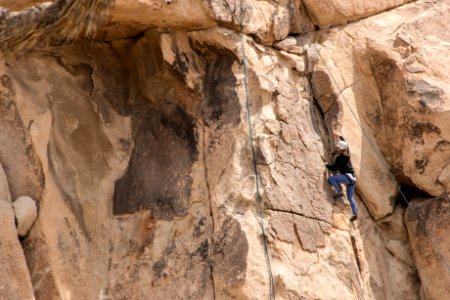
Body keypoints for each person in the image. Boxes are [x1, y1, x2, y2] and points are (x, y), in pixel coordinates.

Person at [326, 134, 357, 222]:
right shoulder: (347, 155)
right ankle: (355, 213)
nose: (336, 148)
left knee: (331, 179)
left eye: (337, 147)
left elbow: (333, 168)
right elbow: (345, 144)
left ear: (339, 149)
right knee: (350, 198)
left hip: (346, 177)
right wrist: (340, 137)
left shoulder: (339, 159)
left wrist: (325, 164)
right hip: (352, 179)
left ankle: (339, 191)